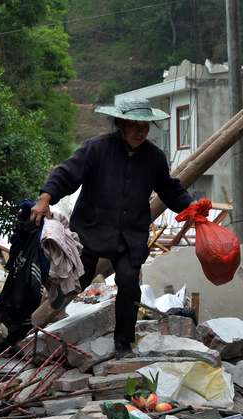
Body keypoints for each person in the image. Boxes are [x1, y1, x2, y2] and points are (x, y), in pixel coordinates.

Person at [31, 98, 194, 357]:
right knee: (74, 281)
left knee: (129, 284)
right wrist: (45, 198)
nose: (141, 131)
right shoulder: (96, 149)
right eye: (135, 126)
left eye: (145, 126)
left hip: (130, 235)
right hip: (91, 228)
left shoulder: (154, 157)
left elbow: (169, 189)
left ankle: (123, 343)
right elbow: (66, 173)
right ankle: (33, 330)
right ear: (121, 124)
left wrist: (191, 208)